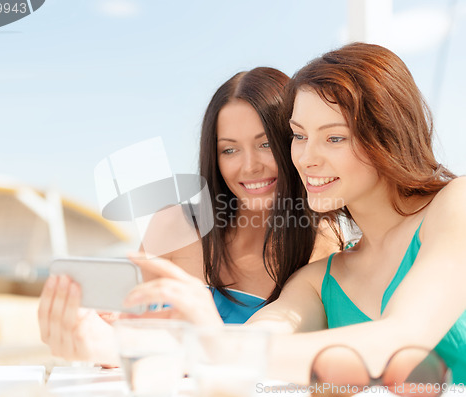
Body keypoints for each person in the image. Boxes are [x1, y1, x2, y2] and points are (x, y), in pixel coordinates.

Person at [125, 43, 466, 382]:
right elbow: (260, 337)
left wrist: (218, 346)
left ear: (388, 134)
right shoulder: (320, 279)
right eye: (299, 136)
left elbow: (398, 343)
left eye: (334, 138)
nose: (305, 158)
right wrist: (105, 343)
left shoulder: (456, 204)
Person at [38, 67, 338, 363]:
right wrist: (95, 331)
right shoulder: (172, 224)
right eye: (229, 150)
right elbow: (126, 337)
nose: (249, 166)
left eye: (265, 144)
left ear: (295, 141)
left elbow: (295, 359)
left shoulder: (323, 246)